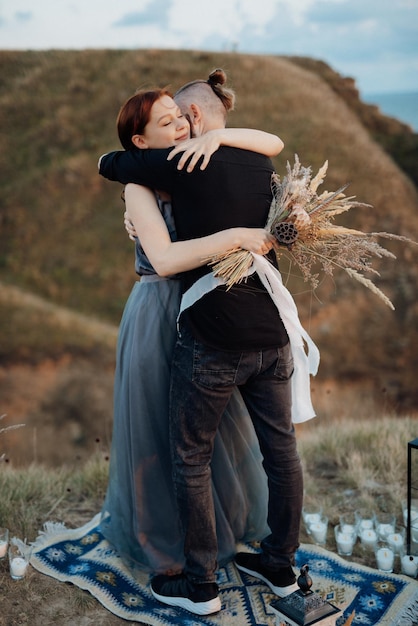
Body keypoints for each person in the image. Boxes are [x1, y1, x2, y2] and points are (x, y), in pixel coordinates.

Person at [99, 69, 319, 617]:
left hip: (211, 312)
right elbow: (163, 246)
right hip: (162, 311)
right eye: (165, 121)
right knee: (161, 434)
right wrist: (239, 236)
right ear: (141, 142)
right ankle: (174, 552)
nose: (178, 126)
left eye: (181, 116)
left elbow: (269, 146)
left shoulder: (202, 161)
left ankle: (214, 568)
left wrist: (221, 137)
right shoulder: (146, 178)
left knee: (211, 444)